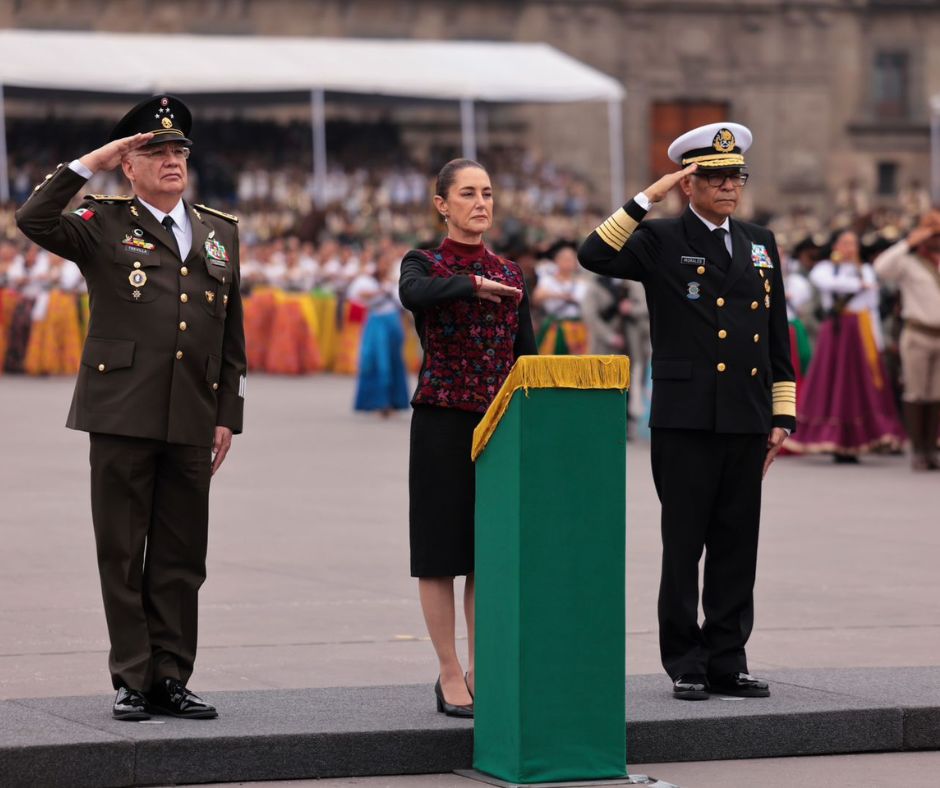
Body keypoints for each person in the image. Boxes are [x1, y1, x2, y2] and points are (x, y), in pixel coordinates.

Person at [16, 95, 246, 721]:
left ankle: (172, 676)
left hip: (193, 414)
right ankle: (132, 677)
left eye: (179, 152)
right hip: (121, 409)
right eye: (155, 152)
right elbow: (33, 219)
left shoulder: (219, 231)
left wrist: (228, 412)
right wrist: (93, 161)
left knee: (180, 555)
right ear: (129, 165)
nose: (172, 161)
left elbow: (230, 334)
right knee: (122, 550)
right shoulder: (101, 221)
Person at [578, 123, 796, 701]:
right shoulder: (661, 239)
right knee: (684, 544)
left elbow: (777, 335)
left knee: (735, 542)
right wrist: (648, 196)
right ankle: (686, 660)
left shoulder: (758, 241)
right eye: (715, 176)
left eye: (736, 176)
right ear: (688, 183)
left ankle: (728, 657)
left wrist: (782, 417)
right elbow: (593, 253)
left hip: (746, 416)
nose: (729, 186)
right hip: (685, 417)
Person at [399, 158, 537, 718]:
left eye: (487, 193)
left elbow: (524, 357)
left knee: (487, 555)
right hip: (441, 419)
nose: (480, 203)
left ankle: (484, 667)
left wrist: (536, 424)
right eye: (467, 194)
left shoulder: (511, 272)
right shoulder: (423, 262)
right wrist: (469, 285)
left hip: (498, 424)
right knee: (438, 554)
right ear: (442, 204)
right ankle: (449, 669)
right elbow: (415, 295)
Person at [789, 231, 905, 461]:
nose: (848, 247)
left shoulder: (866, 270)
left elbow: (870, 303)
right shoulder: (825, 268)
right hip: (837, 332)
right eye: (844, 242)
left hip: (860, 331)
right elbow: (826, 283)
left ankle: (863, 439)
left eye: (852, 243)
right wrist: (856, 283)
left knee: (859, 386)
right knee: (832, 382)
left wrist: (876, 340)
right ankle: (831, 438)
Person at [873, 210, 940, 470]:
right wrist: (908, 242)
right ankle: (918, 450)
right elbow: (881, 268)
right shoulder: (908, 261)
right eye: (931, 232)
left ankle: (931, 448)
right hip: (917, 333)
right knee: (916, 392)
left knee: (936, 395)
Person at [351, 249, 410, 416]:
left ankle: (394, 401)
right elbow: (357, 295)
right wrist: (379, 292)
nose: (386, 265)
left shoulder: (394, 281)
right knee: (377, 359)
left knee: (394, 359)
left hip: (393, 320)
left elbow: (403, 301)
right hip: (377, 321)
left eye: (388, 262)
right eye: (383, 262)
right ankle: (378, 401)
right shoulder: (368, 280)